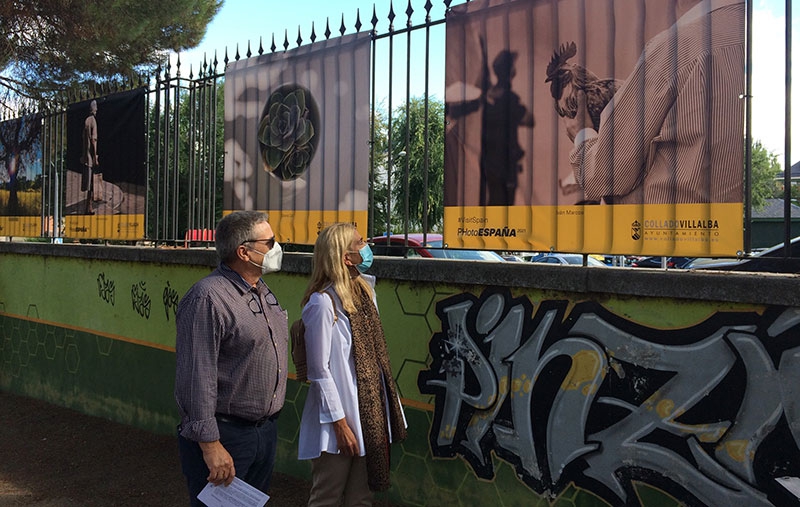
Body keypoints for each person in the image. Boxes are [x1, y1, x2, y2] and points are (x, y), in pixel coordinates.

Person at [564, 0, 745, 205]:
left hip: (665, 230)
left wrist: (582, 134)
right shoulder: (762, 37)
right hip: (730, 228)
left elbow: (605, 175)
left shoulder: (678, 47)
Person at [175, 210, 288, 506]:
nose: (277, 248)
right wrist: (210, 444)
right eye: (270, 241)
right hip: (225, 435)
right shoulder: (207, 298)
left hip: (263, 433)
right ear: (244, 252)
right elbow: (196, 377)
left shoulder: (262, 292)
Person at [298, 223, 407, 507]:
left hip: (369, 416)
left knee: (361, 498)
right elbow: (319, 370)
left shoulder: (365, 294)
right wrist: (340, 424)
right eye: (360, 243)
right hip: (337, 420)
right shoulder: (322, 304)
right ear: (346, 257)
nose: (367, 245)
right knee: (327, 497)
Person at [79, 99, 104, 214]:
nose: (97, 110)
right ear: (93, 109)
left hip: (85, 156)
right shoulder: (93, 121)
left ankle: (88, 206)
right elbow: (93, 140)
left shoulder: (86, 121)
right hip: (90, 156)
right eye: (96, 108)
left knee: (89, 182)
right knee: (91, 182)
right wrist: (95, 156)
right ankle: (88, 207)